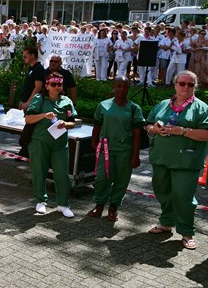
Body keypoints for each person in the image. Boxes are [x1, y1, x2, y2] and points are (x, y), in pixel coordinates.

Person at [145, 70, 208, 250]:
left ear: (195, 86)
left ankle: (187, 232)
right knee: (162, 191)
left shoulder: (201, 108)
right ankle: (166, 223)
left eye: (190, 84)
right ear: (175, 84)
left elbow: (206, 134)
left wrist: (183, 131)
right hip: (161, 158)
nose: (186, 87)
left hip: (186, 162)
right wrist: (155, 129)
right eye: (182, 83)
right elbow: (148, 124)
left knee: (183, 196)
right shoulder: (163, 105)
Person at [87, 77, 145, 222]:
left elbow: (137, 134)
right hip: (106, 149)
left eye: (125, 86)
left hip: (125, 151)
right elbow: (97, 125)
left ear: (128, 89)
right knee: (102, 178)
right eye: (118, 86)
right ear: (113, 87)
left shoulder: (134, 108)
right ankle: (99, 205)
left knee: (121, 179)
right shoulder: (103, 105)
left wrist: (136, 155)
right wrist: (94, 143)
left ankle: (113, 207)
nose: (121, 89)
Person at [25, 72, 77, 218]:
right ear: (47, 85)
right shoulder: (39, 99)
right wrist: (43, 115)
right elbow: (28, 119)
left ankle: (63, 204)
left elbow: (73, 122)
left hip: (60, 143)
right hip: (40, 142)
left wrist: (65, 124)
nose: (57, 87)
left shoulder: (66, 101)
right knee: (39, 171)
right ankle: (40, 200)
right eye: (53, 84)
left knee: (62, 174)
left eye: (59, 84)